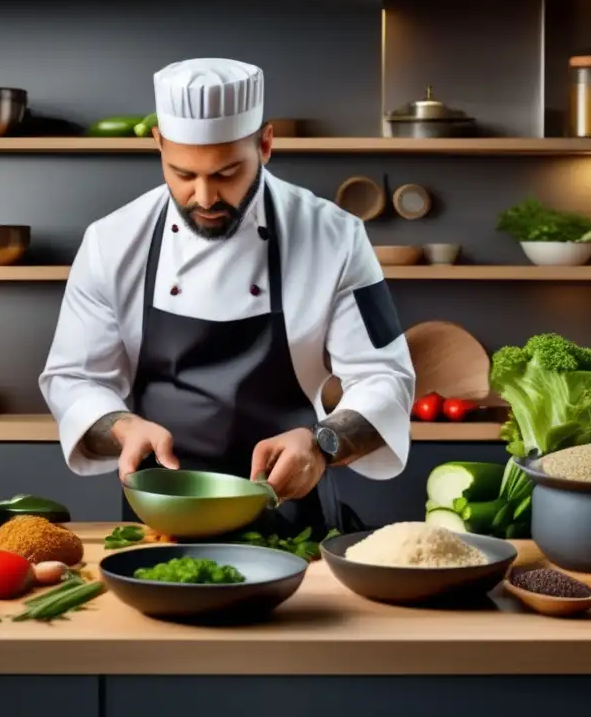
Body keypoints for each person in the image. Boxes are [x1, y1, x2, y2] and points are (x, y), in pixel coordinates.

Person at [40, 57, 415, 536]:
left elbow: (386, 376)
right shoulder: (112, 241)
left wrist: (322, 445)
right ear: (158, 145)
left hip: (290, 510)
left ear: (266, 144)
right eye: (181, 174)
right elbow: (73, 378)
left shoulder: (334, 236)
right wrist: (122, 426)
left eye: (226, 173)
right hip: (164, 510)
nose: (204, 197)